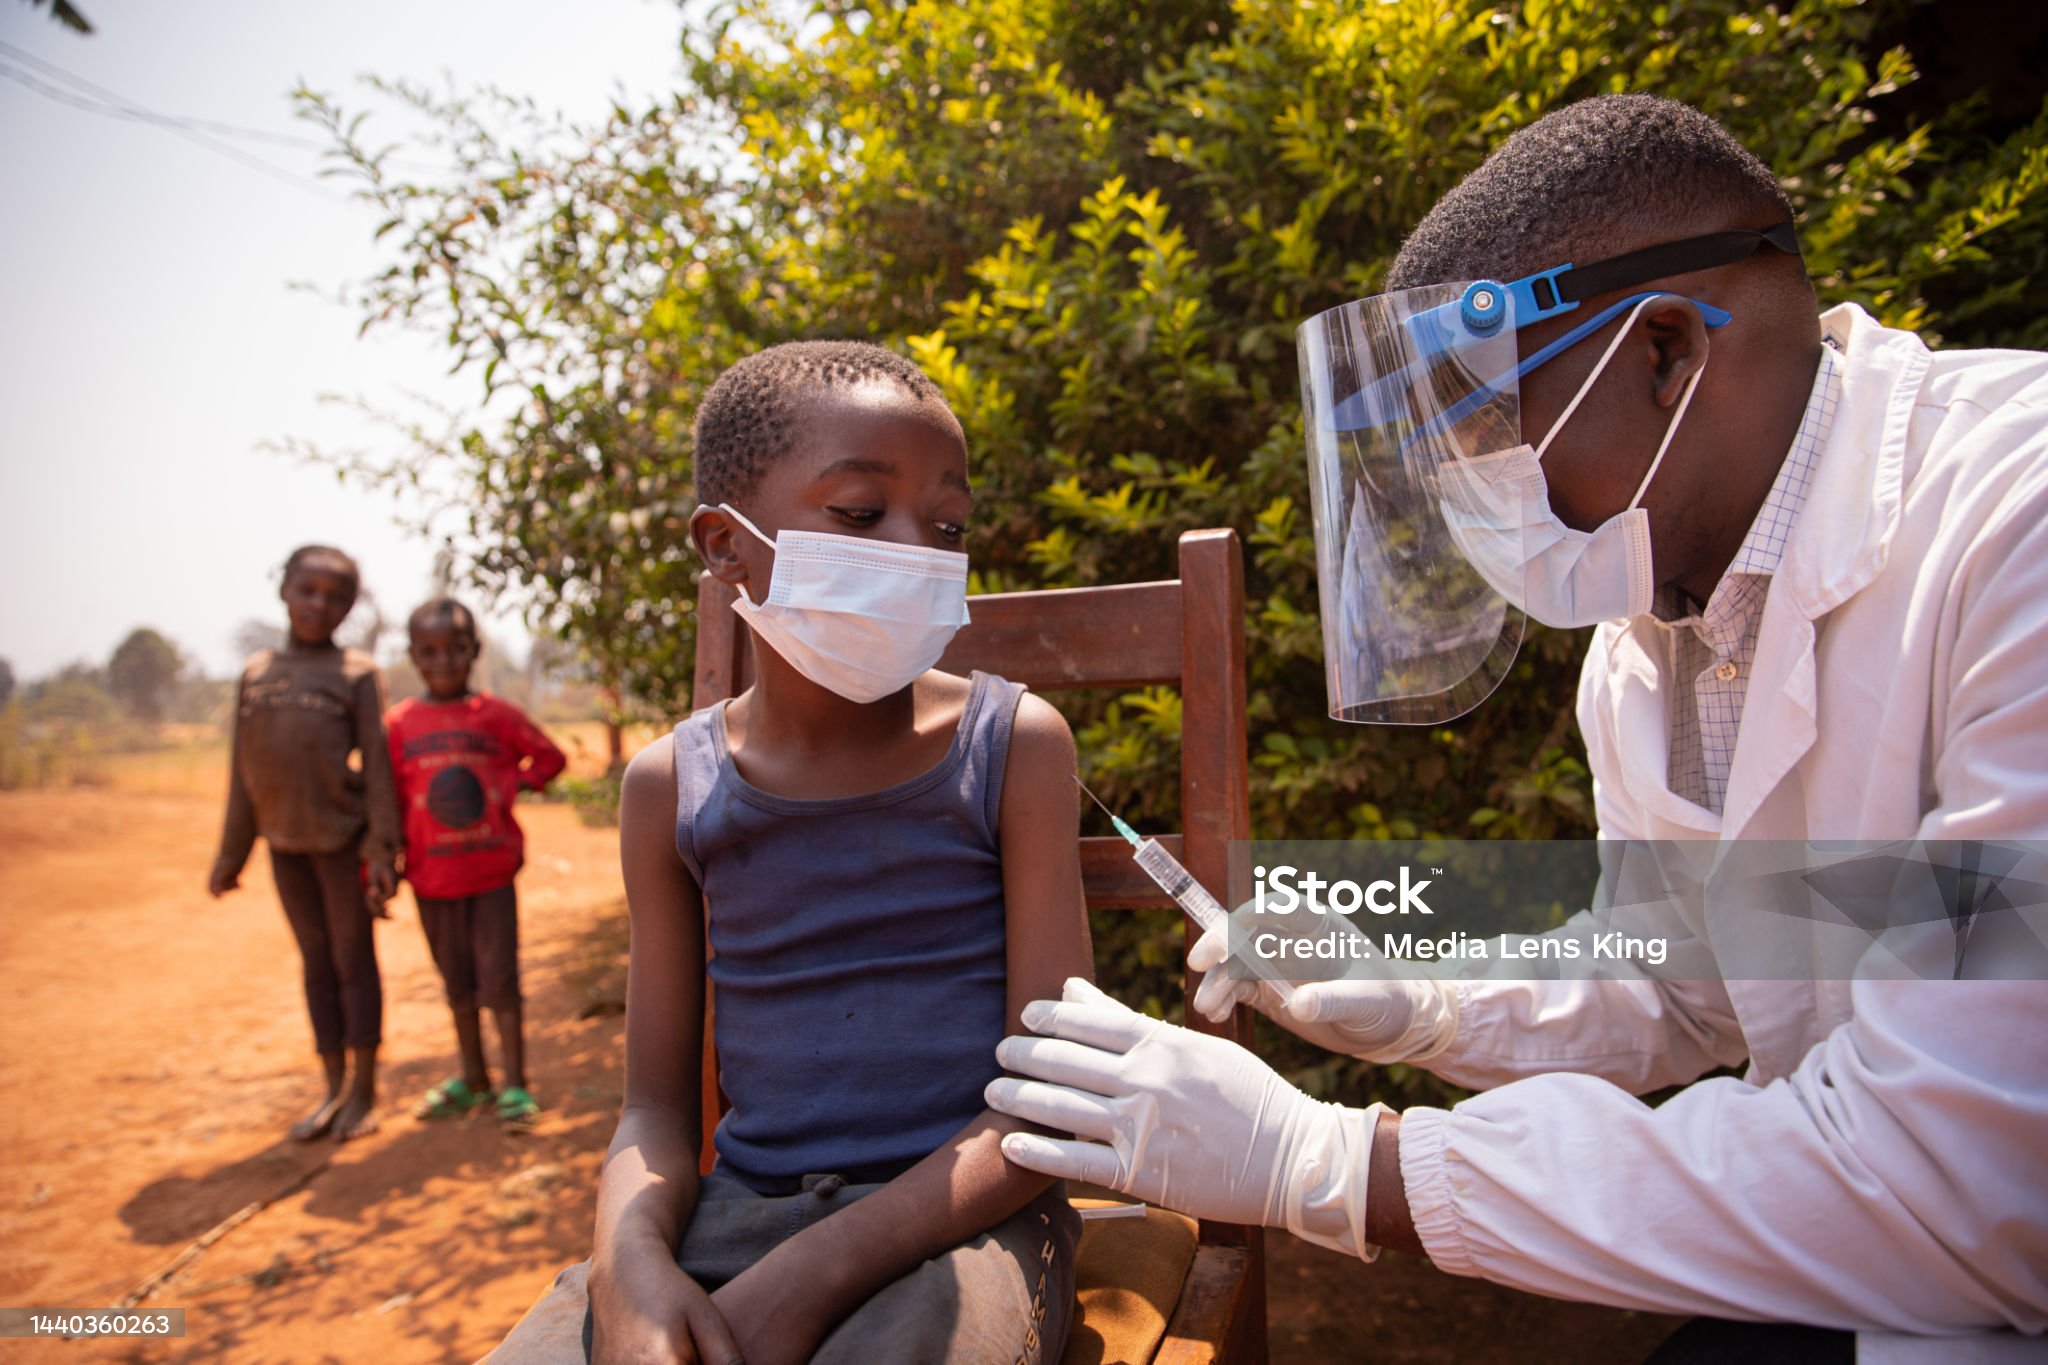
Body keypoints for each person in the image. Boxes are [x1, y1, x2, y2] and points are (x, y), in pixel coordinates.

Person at [988, 95, 2048, 1361]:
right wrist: (1425, 1005)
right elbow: (1682, 980)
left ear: (1662, 352)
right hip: (1881, 1280)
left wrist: (1334, 1163)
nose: (1466, 499)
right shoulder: (1651, 638)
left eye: (1485, 434)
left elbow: (1972, 1183)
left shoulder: (2011, 519)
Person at [487, 340, 1094, 1365]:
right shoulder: (668, 788)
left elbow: (1055, 1101)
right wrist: (628, 1265)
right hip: (725, 1223)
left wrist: (819, 1269)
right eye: (860, 515)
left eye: (947, 527)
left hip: (963, 1226)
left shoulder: (1012, 748)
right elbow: (651, 1110)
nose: (915, 550)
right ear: (726, 545)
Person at [210, 544, 401, 1142]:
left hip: (343, 845)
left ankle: (364, 1092)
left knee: (352, 960)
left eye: (335, 596)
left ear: (348, 607)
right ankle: (332, 1087)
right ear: (284, 591)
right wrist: (230, 854)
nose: (320, 604)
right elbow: (243, 773)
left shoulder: (357, 674)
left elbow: (377, 768)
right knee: (315, 965)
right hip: (284, 848)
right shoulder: (256, 673)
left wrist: (381, 850)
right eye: (308, 590)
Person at [386, 596, 566, 1128]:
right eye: (429, 652)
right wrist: (384, 861)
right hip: (430, 879)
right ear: (414, 656)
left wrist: (514, 784)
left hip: (490, 877)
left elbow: (551, 757)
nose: (443, 662)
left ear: (474, 651)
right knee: (457, 984)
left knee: (500, 980)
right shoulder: (398, 725)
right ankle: (473, 1077)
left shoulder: (496, 716)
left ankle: (514, 1084)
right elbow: (390, 800)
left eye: (455, 650)